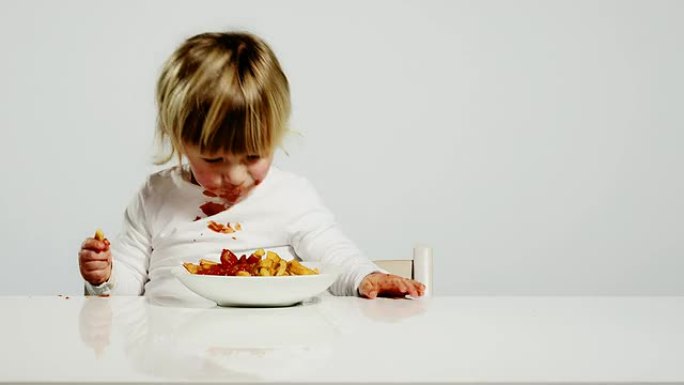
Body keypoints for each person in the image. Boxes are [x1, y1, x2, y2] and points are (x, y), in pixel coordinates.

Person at [78, 31, 425, 300]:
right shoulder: (156, 196)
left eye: (254, 156)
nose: (235, 176)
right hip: (173, 352)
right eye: (214, 159)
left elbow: (333, 253)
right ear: (180, 140)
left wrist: (367, 277)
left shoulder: (290, 196)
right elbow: (123, 296)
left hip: (275, 349)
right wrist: (104, 276)